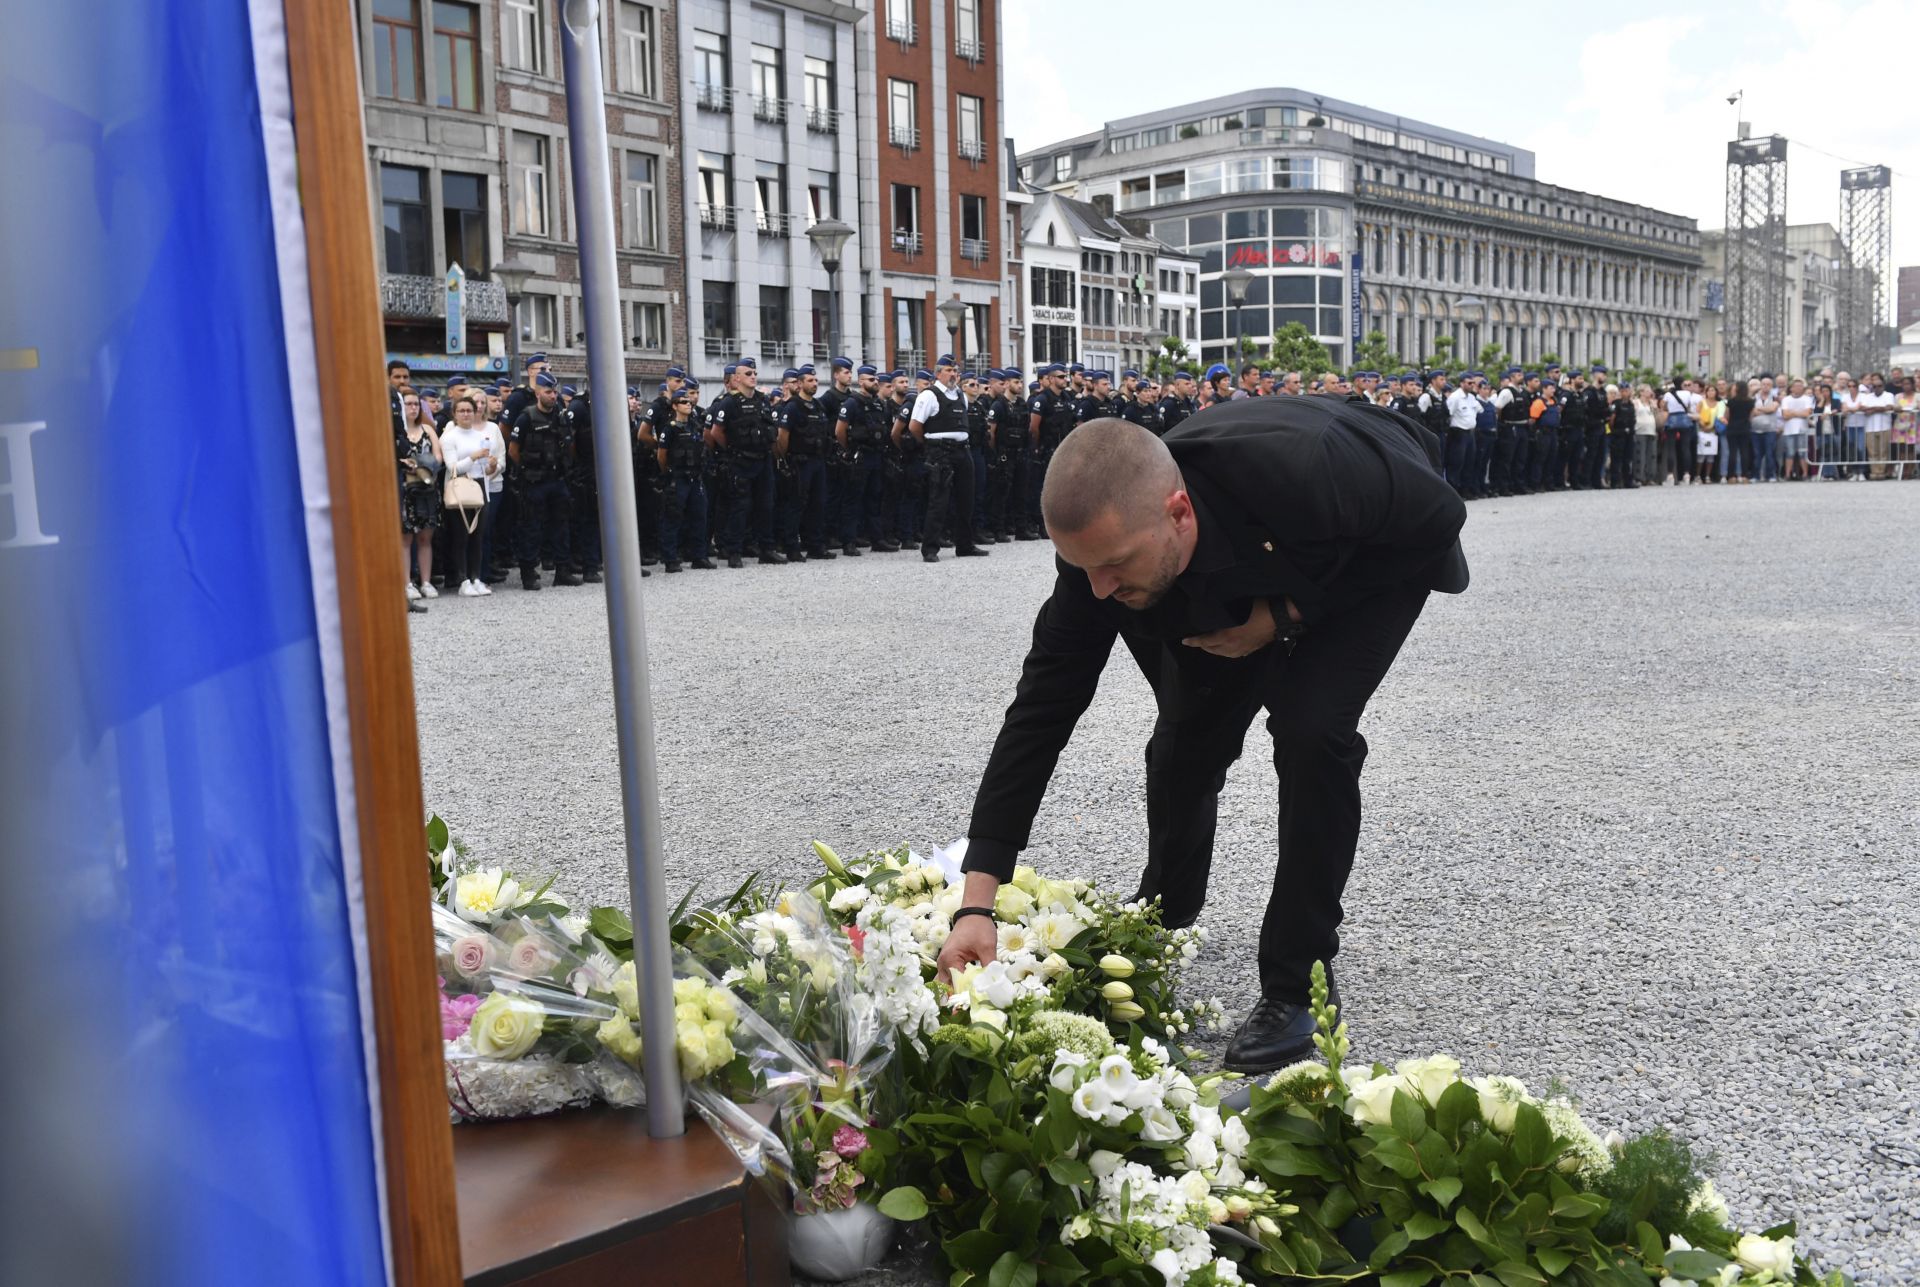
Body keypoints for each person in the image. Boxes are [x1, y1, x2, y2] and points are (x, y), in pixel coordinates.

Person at [932, 404, 1468, 1073]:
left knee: (1311, 731)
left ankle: (1296, 984)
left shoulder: (1317, 471)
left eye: (1116, 565)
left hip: (1358, 554)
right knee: (1186, 744)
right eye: (1085, 568)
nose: (1099, 589)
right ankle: (1165, 909)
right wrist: (975, 902)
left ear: (1178, 512)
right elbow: (1042, 708)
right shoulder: (1102, 563)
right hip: (1219, 575)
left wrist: (1284, 613)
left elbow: (1439, 522)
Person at [905, 356, 988, 563]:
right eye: (949, 370)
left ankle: (965, 545)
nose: (953, 374)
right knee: (938, 501)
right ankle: (930, 548)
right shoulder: (929, 396)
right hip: (940, 453)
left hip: (963, 452)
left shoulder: (960, 395)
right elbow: (914, 426)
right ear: (938, 373)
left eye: (955, 370)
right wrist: (930, 447)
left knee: (966, 500)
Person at [508, 373, 577, 590]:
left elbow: (569, 444)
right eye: (548, 392)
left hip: (557, 479)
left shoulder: (561, 416)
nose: (553, 395)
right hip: (534, 481)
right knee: (531, 527)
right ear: (538, 392)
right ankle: (528, 574)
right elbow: (513, 451)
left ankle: (562, 571)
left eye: (555, 391)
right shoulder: (526, 417)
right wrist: (528, 470)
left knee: (561, 526)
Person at [713, 363, 784, 567]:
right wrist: (733, 450)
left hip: (763, 460)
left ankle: (766, 550)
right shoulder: (729, 403)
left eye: (754, 373)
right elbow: (716, 432)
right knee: (740, 507)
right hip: (741, 461)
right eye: (748, 373)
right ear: (737, 378)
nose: (753, 376)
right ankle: (734, 552)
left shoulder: (763, 401)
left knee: (766, 506)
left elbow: (771, 428)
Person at [836, 364, 900, 554]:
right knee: (853, 500)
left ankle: (877, 539)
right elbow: (839, 431)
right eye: (871, 380)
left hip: (876, 456)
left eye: (876, 379)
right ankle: (849, 542)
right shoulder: (852, 403)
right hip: (860, 456)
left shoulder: (880, 404)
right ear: (861, 381)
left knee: (875, 498)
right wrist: (850, 450)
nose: (875, 382)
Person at [776, 367, 836, 562]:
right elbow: (782, 437)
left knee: (818, 504)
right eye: (810, 380)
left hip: (818, 461)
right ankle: (792, 547)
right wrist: (785, 460)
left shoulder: (818, 406)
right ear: (799, 384)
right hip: (799, 461)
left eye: (816, 380)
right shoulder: (793, 407)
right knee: (796, 504)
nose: (814, 384)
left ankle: (815, 546)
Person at [438, 393, 495, 596]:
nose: (466, 414)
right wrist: (472, 457)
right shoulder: (449, 438)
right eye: (461, 411)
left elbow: (486, 469)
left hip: (480, 486)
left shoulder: (481, 437)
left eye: (469, 410)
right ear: (454, 414)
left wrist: (492, 465)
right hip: (459, 487)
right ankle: (462, 579)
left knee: (478, 536)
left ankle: (476, 577)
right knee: (460, 535)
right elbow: (452, 467)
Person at [657, 388, 716, 573]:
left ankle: (699, 556)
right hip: (678, 477)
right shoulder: (670, 428)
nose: (688, 405)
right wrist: (670, 473)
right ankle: (670, 558)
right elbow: (662, 456)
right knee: (673, 517)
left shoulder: (695, 425)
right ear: (675, 406)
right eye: (683, 402)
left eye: (689, 402)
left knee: (700, 516)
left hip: (695, 477)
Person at [396, 387, 443, 608]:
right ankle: (407, 583)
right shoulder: (397, 433)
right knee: (405, 539)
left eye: (416, 404)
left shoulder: (428, 429)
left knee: (425, 538)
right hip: (405, 489)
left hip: (427, 488)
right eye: (408, 404)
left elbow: (438, 458)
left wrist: (419, 465)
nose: (413, 408)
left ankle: (425, 581)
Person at [986, 367, 1035, 542]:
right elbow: (991, 433)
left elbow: (1028, 428)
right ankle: (998, 529)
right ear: (1007, 384)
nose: (1020, 385)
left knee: (1021, 493)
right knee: (1001, 494)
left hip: (1020, 453)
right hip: (1005, 454)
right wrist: (998, 454)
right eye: (1016, 382)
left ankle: (1021, 529)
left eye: (1021, 382)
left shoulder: (1022, 404)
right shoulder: (998, 405)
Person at [1778, 378, 1813, 482]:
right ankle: (1788, 474)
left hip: (1802, 429)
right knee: (1790, 453)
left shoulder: (1807, 399)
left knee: (1803, 453)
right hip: (1789, 430)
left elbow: (1807, 413)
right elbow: (1785, 415)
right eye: (1796, 386)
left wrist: (1792, 413)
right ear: (1791, 388)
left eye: (1800, 386)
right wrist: (1799, 413)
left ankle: (1805, 474)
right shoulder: (1786, 399)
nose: (1798, 388)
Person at [1722, 380, 1754, 485]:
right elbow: (1751, 416)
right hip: (1745, 428)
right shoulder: (1750, 402)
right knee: (1744, 452)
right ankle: (1745, 476)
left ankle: (1731, 476)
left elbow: (1726, 415)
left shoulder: (1731, 401)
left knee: (1732, 452)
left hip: (1732, 428)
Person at [1632, 385, 1658, 488]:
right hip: (1640, 431)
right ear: (1641, 392)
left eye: (1650, 391)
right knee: (1640, 455)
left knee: (1651, 455)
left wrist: (1655, 407)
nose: (1650, 393)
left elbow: (1656, 415)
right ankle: (1639, 477)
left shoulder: (1651, 403)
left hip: (1651, 431)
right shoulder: (1636, 402)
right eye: (1647, 391)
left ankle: (1650, 477)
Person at [1157, 370, 1198, 434]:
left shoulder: (1189, 403)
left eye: (1190, 384)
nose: (1190, 386)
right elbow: (1160, 426)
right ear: (1177, 385)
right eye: (1186, 384)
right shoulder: (1169, 403)